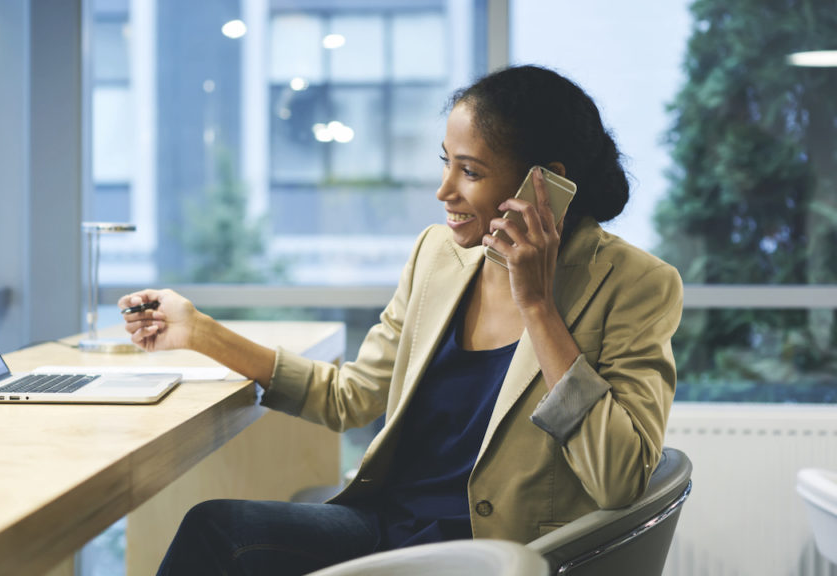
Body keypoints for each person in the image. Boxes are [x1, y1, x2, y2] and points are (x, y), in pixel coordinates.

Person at [120, 64, 683, 576]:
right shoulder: (438, 255)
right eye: (447, 163)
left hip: (493, 556)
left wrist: (537, 305)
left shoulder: (635, 286)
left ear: (545, 182)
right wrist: (198, 331)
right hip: (391, 531)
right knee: (217, 530)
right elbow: (350, 397)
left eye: (470, 171)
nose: (444, 191)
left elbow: (620, 477)